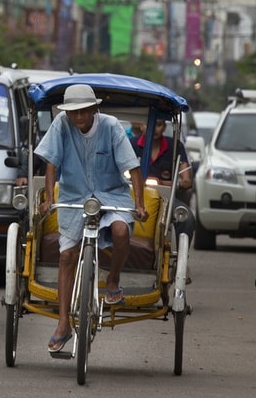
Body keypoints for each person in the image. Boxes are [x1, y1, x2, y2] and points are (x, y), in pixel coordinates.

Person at [34, 84, 147, 353]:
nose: (78, 118)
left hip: (111, 196)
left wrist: (140, 205)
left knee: (121, 232)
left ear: (94, 108)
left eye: (83, 111)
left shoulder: (111, 127)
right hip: (74, 198)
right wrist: (49, 198)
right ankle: (63, 323)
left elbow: (132, 167)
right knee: (66, 256)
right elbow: (51, 163)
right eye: (73, 113)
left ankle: (113, 281)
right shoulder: (62, 125)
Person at [130, 119, 196, 243]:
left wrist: (185, 181)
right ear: (140, 125)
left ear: (164, 127)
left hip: (166, 199)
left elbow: (184, 173)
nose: (154, 129)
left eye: (158, 124)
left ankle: (179, 256)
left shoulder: (175, 146)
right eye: (149, 124)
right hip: (134, 197)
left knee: (187, 219)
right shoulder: (131, 144)